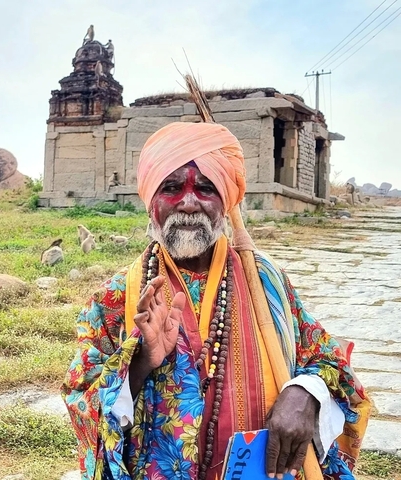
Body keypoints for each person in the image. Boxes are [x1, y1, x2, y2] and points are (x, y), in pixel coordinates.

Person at [62, 122, 369, 480]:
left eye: (206, 188)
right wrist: (141, 361)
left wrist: (306, 392)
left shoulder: (265, 281)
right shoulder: (114, 299)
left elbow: (327, 361)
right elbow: (82, 399)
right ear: (150, 203)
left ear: (226, 201)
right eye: (172, 187)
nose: (189, 202)